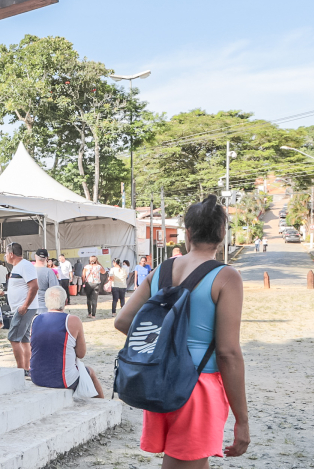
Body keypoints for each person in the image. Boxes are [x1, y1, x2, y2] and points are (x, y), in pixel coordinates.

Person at [115, 195, 249, 466]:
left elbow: (122, 321)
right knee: (183, 462)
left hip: (160, 378)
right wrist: (242, 420)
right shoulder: (226, 277)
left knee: (193, 462)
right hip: (197, 384)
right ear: (222, 233)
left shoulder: (160, 271)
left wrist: (165, 341)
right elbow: (228, 353)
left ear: (187, 233)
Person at [29, 287, 104, 398]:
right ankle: (102, 404)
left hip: (36, 377)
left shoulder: (35, 319)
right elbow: (81, 354)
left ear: (46, 302)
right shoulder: (72, 320)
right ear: (66, 302)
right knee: (90, 372)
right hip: (62, 380)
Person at [4, 242, 38, 373]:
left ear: (11, 254)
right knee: (24, 339)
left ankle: (21, 369)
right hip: (21, 308)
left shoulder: (25, 266)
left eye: (6, 254)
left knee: (13, 338)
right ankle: (27, 367)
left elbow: (34, 286)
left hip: (23, 308)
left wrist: (25, 306)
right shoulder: (18, 267)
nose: (5, 256)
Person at [33, 249, 55, 315]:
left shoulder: (28, 271)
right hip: (45, 307)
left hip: (30, 307)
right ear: (47, 258)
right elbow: (54, 290)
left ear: (35, 257)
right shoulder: (49, 272)